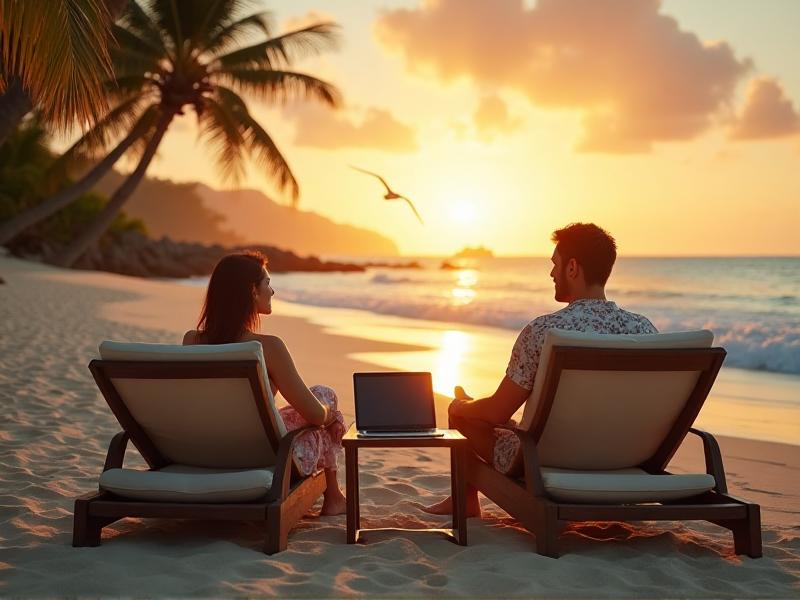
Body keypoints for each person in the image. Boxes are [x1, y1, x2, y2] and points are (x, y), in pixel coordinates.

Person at [422, 223, 658, 516]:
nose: (551, 274)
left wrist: (463, 407)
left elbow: (497, 412)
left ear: (572, 268)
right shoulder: (644, 330)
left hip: (546, 459)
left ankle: (466, 501)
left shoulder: (543, 331)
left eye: (555, 265)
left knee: (463, 412)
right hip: (622, 459)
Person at [183, 251, 347, 516]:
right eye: (267, 283)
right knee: (324, 398)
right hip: (260, 457)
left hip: (206, 452)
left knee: (316, 401)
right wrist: (331, 417)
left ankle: (335, 497)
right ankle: (334, 497)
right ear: (252, 291)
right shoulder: (267, 347)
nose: (272, 291)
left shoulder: (191, 341)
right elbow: (315, 415)